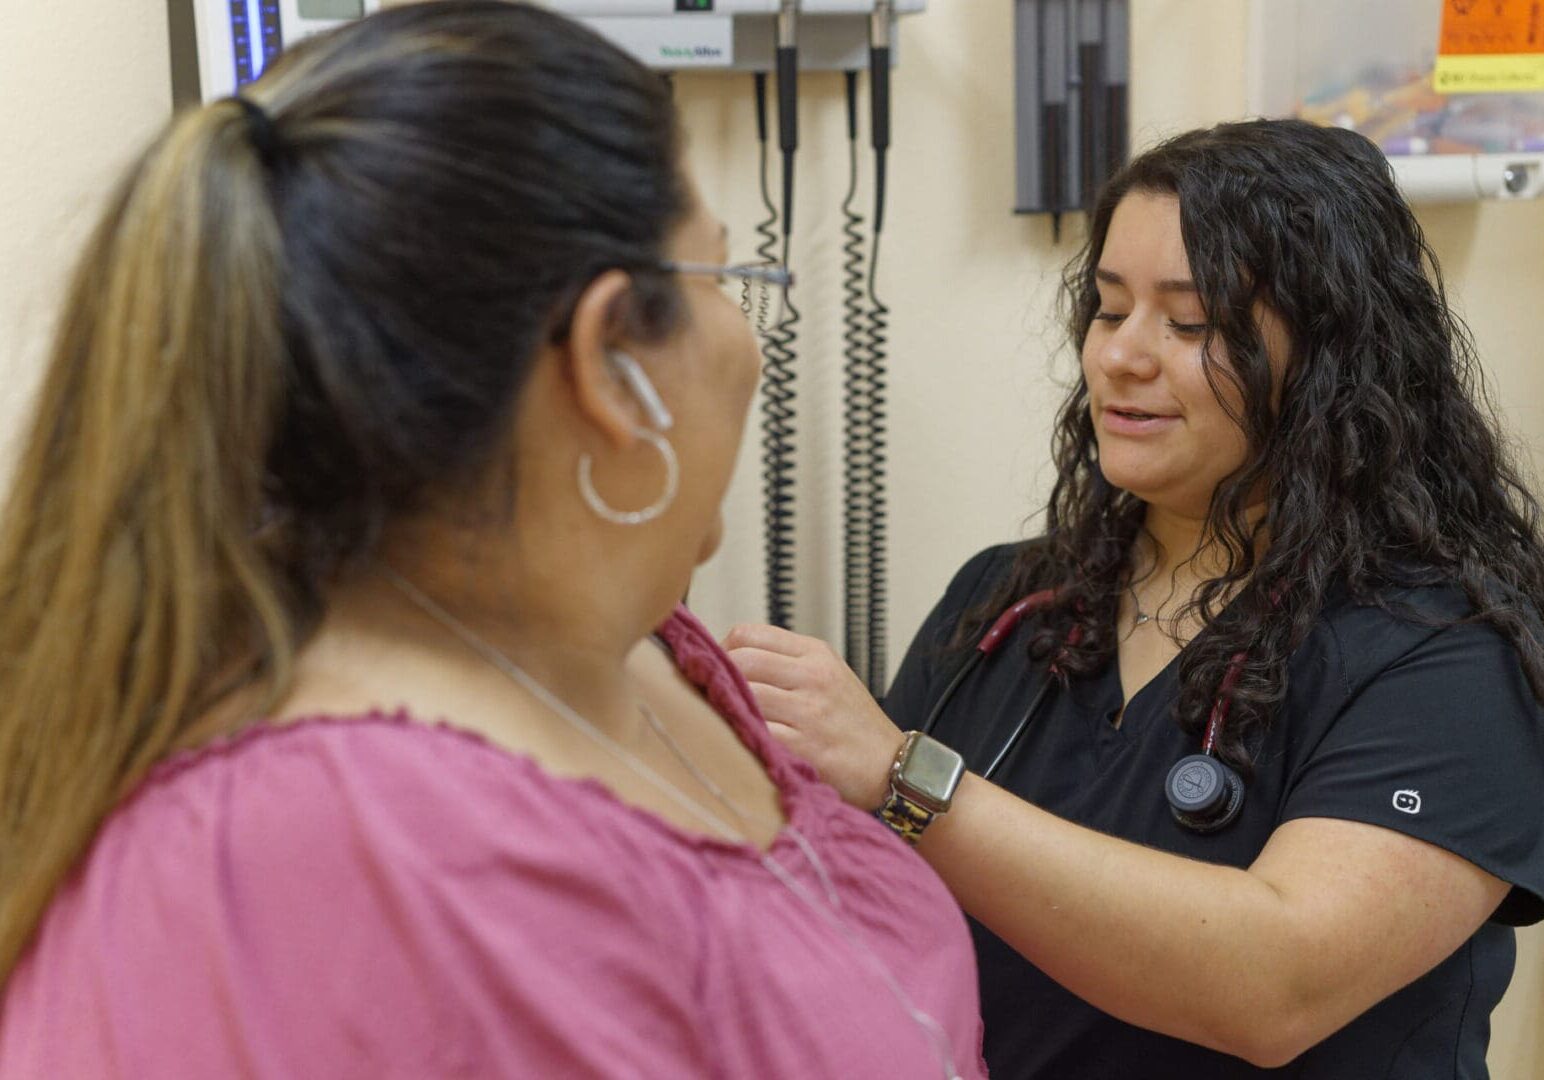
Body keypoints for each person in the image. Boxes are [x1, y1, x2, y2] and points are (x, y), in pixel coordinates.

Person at [0, 4, 986, 1077]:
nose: (748, 348)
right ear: (611, 361)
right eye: (726, 280)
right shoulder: (310, 861)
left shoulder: (655, 657)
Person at [727, 118, 1544, 1077]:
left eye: (1190, 323)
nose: (1122, 356)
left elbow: (1276, 986)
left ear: (1333, 360)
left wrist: (906, 775)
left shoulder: (1444, 648)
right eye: (1111, 311)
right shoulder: (1008, 601)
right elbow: (866, 908)